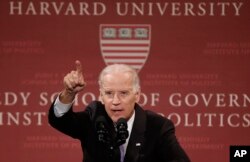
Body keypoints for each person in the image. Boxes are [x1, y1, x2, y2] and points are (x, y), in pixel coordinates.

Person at [48, 60, 190, 162]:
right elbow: (60, 120)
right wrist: (68, 92)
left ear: (137, 95)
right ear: (101, 96)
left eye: (123, 93)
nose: (115, 101)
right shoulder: (95, 117)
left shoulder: (158, 126)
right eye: (109, 93)